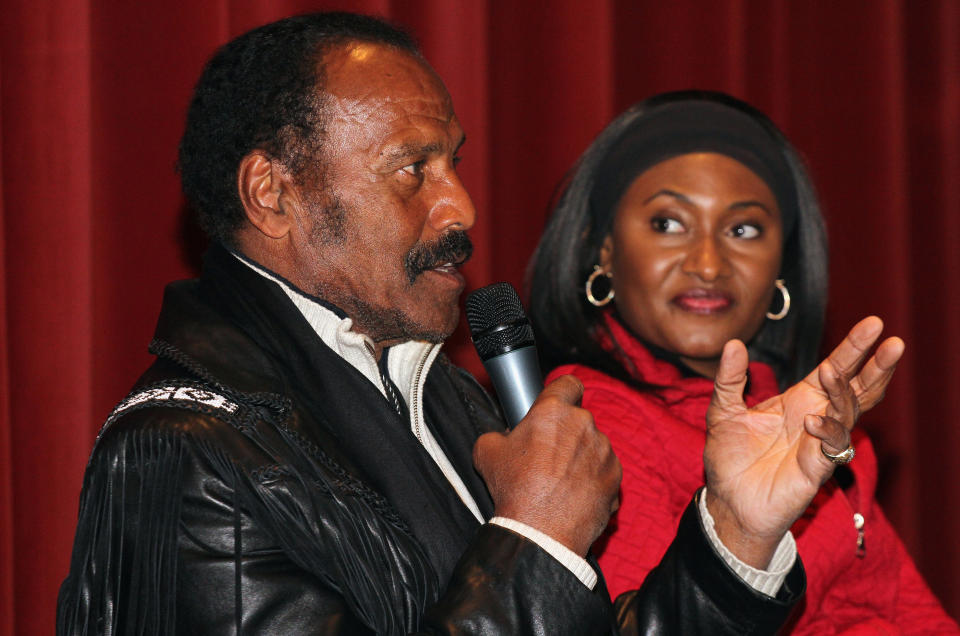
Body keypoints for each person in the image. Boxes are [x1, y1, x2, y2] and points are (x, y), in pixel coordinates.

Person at [57, 13, 889, 633]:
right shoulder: (182, 453)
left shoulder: (451, 403)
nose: (460, 205)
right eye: (411, 170)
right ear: (273, 196)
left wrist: (735, 536)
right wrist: (533, 535)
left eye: (451, 161)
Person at [528, 90, 958, 634]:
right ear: (604, 250)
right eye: (668, 224)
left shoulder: (807, 413)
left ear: (783, 262)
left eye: (743, 230)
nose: (708, 263)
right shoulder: (586, 424)